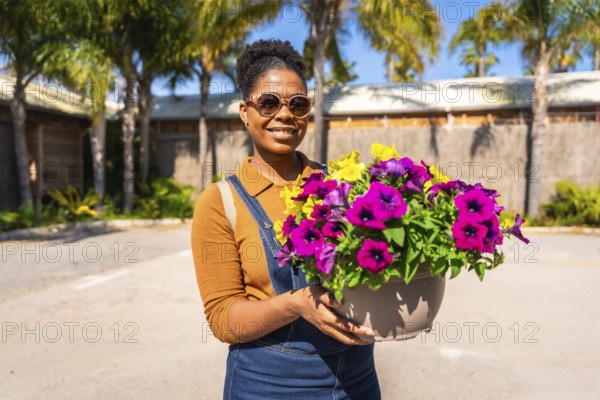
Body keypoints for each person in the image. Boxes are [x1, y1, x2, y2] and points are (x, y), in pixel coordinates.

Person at [191, 39, 381, 399]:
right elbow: (223, 318)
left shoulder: (342, 185)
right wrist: (296, 304)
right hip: (269, 385)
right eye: (268, 102)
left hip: (357, 380)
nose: (284, 114)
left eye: (298, 104)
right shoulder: (221, 202)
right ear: (245, 111)